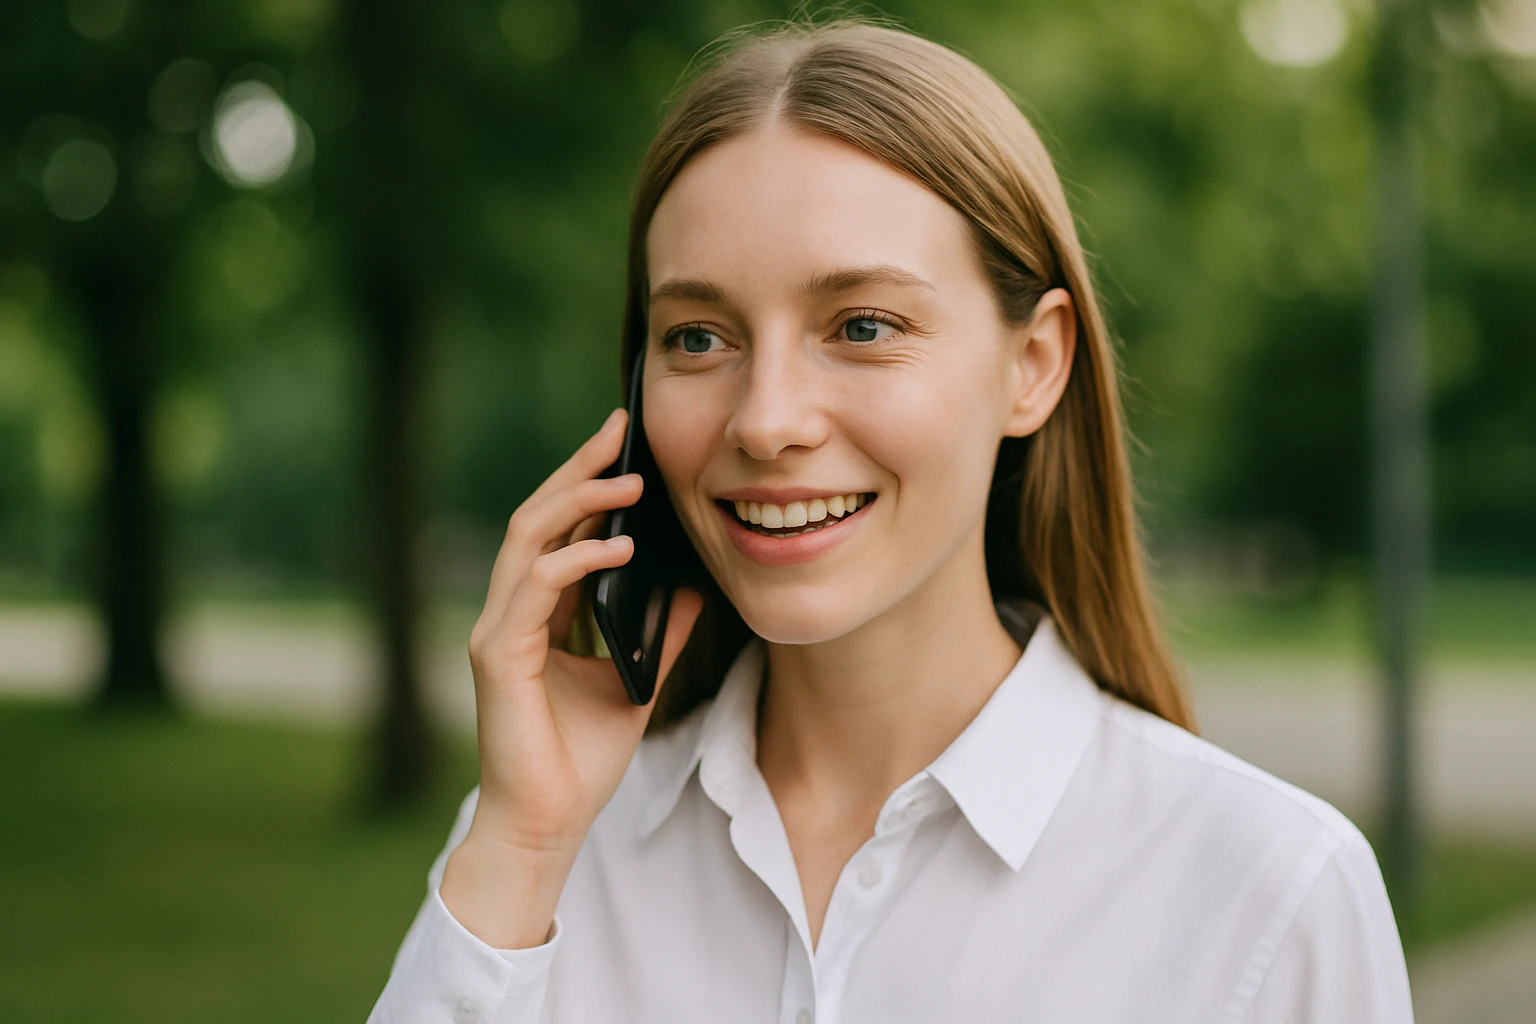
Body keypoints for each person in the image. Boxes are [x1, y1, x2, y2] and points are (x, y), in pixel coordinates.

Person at [367, 17, 1412, 1024]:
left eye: (862, 325)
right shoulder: (539, 850)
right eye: (697, 336)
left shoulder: (1272, 896)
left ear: (1033, 364)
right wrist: (521, 849)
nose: (766, 419)